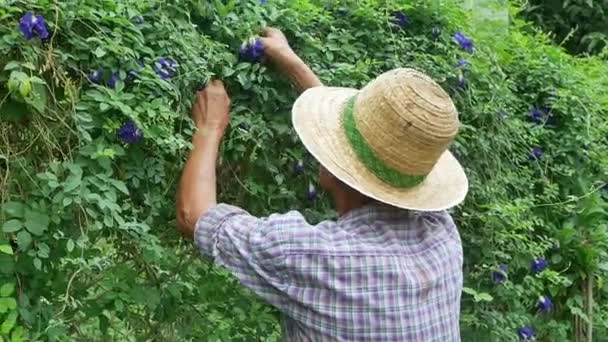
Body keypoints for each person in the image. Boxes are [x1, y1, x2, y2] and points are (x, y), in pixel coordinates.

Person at [176, 27, 468, 341]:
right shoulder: (442, 235)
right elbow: (362, 144)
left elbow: (194, 215)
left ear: (337, 167)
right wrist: (292, 64)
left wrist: (209, 126)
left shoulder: (315, 257)